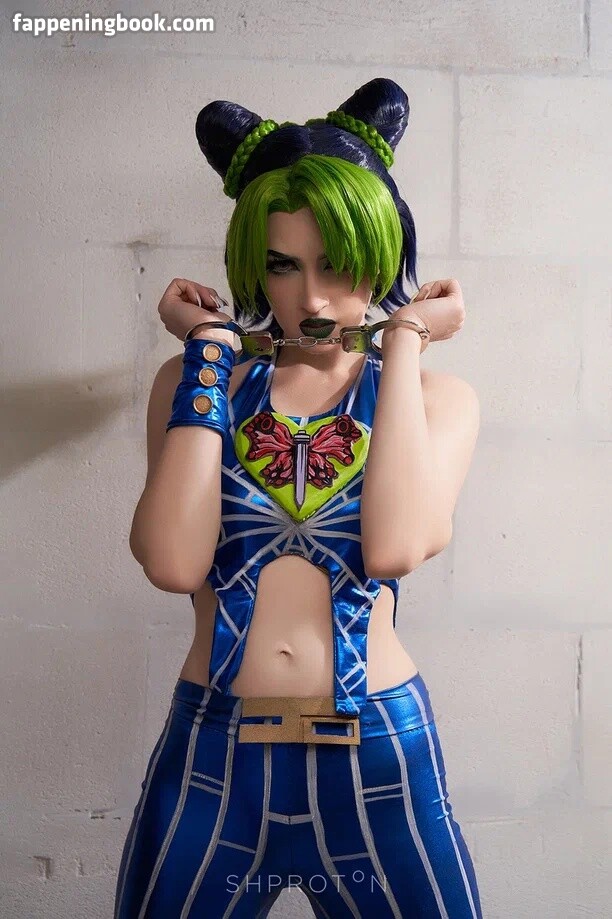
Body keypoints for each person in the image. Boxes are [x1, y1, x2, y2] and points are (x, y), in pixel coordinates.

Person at [114, 77, 483, 918]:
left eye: (337, 264)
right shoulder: (197, 381)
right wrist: (209, 354)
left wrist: (404, 343)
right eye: (282, 265)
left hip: (377, 753)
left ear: (382, 255)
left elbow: (394, 546)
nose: (310, 298)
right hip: (214, 749)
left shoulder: (437, 399)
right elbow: (172, 562)